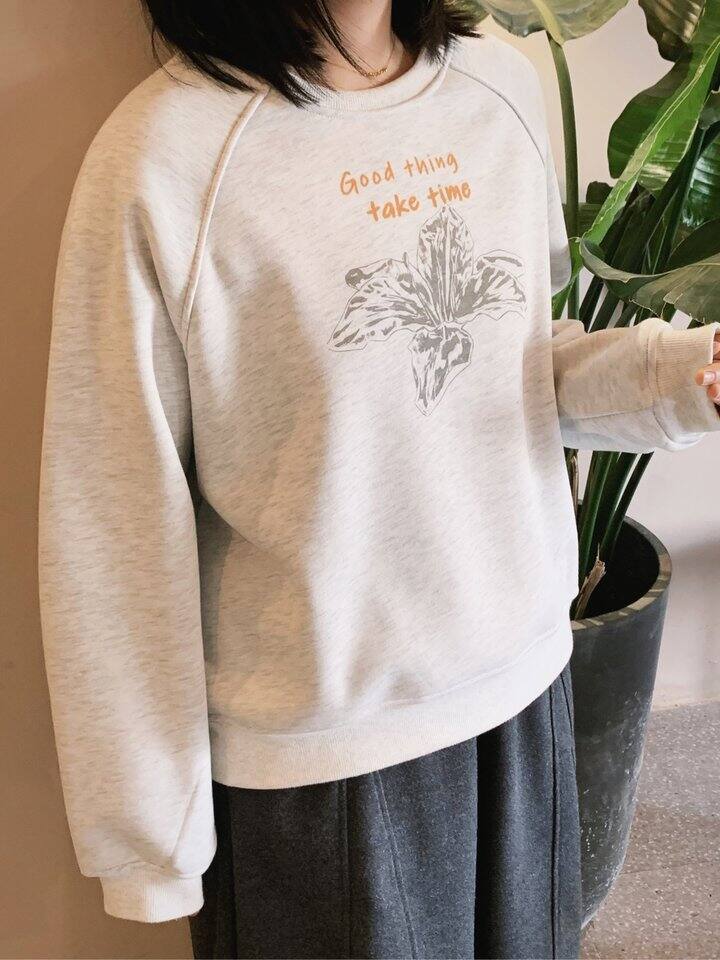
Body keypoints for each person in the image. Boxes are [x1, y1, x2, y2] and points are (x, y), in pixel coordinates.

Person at [37, 2, 720, 958]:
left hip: (522, 689)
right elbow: (114, 516)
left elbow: (515, 364)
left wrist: (684, 376)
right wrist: (150, 842)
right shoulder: (167, 152)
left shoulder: (499, 85)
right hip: (325, 756)